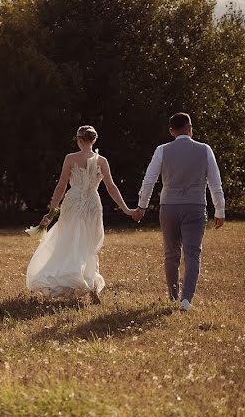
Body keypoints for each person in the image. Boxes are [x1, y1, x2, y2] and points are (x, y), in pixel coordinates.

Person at [26, 125, 135, 302]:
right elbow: (111, 187)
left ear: (79, 140)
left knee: (70, 241)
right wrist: (126, 209)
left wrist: (51, 212)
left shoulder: (71, 158)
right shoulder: (102, 161)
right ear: (94, 140)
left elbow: (61, 186)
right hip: (92, 202)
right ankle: (89, 283)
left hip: (74, 201)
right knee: (87, 245)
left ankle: (76, 282)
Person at [132, 113, 225, 312]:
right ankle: (186, 300)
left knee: (171, 254)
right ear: (190, 127)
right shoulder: (205, 150)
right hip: (195, 206)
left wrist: (142, 206)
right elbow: (215, 184)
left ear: (171, 131)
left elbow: (149, 181)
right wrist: (220, 210)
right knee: (192, 253)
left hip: (169, 207)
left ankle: (173, 296)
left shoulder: (162, 150)